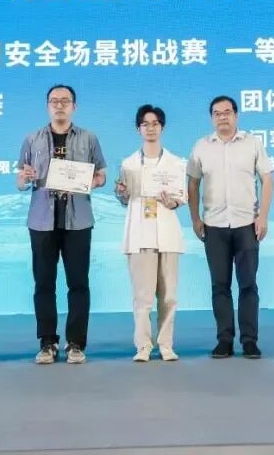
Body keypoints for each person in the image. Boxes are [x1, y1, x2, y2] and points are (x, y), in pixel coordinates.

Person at [16, 85, 107, 364]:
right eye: (54, 101)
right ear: (47, 106)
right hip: (42, 220)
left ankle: (76, 343)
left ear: (74, 107)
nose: (59, 105)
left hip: (78, 220)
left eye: (65, 101)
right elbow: (20, 181)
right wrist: (25, 178)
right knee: (44, 283)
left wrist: (87, 181)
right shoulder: (31, 139)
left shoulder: (89, 138)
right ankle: (47, 342)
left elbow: (101, 175)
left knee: (78, 283)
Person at [187, 95, 274, 360]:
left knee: (248, 285)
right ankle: (224, 340)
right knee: (220, 286)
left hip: (247, 223)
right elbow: (192, 184)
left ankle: (249, 341)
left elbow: (267, 180)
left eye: (227, 112)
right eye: (217, 113)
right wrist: (195, 219)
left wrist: (263, 217)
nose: (222, 117)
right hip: (214, 225)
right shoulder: (201, 147)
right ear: (211, 118)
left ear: (236, 115)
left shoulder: (252, 143)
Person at [114, 104, 186, 363]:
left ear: (162, 127)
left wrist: (172, 201)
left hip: (167, 233)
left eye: (155, 123)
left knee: (169, 295)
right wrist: (121, 193)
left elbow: (181, 197)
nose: (151, 128)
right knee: (142, 296)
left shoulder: (176, 163)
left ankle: (166, 344)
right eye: (145, 124)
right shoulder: (129, 163)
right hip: (139, 232)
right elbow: (125, 198)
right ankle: (143, 345)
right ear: (138, 129)